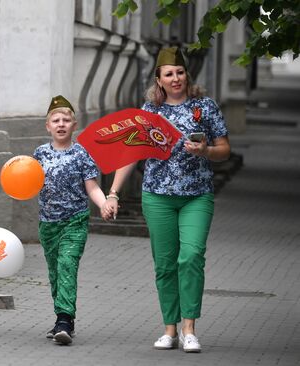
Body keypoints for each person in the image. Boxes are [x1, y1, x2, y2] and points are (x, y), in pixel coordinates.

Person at [103, 46, 230, 353]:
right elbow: (130, 154)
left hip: (196, 195)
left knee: (191, 257)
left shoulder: (205, 107)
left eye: (180, 72)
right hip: (157, 196)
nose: (176, 79)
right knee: (164, 264)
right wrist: (113, 192)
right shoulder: (149, 112)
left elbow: (224, 149)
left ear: (188, 75)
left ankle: (189, 328)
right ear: (158, 79)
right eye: (169, 74)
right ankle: (170, 329)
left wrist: (206, 152)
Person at [34, 95, 111, 346]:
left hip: (74, 221)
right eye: (55, 120)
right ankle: (62, 317)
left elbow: (92, 187)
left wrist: (104, 204)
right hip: (48, 223)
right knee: (55, 272)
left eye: (66, 120)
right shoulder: (39, 154)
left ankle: (64, 320)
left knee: (67, 264)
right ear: (48, 126)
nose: (61, 124)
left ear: (74, 125)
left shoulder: (82, 154)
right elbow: (28, 182)